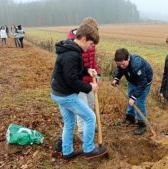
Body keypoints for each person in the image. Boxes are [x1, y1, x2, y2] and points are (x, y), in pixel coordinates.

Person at [50, 23, 108, 160]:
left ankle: (67, 152)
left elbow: (75, 71)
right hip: (65, 95)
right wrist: (90, 88)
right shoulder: (71, 54)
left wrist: (88, 70)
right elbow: (72, 80)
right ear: (83, 39)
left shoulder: (73, 49)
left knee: (69, 122)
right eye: (91, 43)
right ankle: (89, 149)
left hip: (59, 92)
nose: (91, 46)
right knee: (89, 117)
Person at [66, 17, 101, 141]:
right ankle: (81, 130)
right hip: (79, 81)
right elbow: (74, 67)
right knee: (82, 106)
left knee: (91, 103)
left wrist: (98, 73)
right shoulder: (74, 44)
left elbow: (93, 62)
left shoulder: (91, 44)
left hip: (90, 79)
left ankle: (89, 123)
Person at [111, 48, 153, 135]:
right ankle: (130, 116)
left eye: (123, 64)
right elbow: (120, 70)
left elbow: (142, 83)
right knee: (130, 98)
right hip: (133, 80)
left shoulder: (136, 65)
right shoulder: (122, 63)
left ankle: (142, 124)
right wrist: (116, 78)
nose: (122, 66)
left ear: (128, 58)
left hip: (144, 83)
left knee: (139, 102)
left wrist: (134, 97)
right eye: (119, 64)